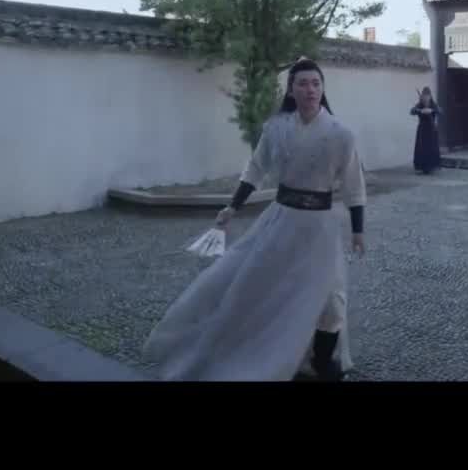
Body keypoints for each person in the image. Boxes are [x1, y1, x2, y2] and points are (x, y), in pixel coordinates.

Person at [141, 58, 367, 382]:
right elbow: (256, 169)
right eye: (303, 83)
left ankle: (321, 359)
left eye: (316, 83)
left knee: (331, 296)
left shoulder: (341, 134)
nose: (310, 90)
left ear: (323, 89)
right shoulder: (276, 129)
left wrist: (358, 230)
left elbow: (354, 184)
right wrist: (232, 207)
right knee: (268, 288)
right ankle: (258, 348)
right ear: (291, 90)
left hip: (321, 225)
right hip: (282, 219)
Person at [410, 86, 441, 174]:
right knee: (422, 148)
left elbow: (440, 111)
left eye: (427, 96)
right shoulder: (420, 104)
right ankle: (421, 167)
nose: (426, 98)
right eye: (424, 96)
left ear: (430, 96)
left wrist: (431, 110)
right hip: (422, 129)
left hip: (431, 129)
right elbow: (412, 111)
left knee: (431, 148)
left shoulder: (433, 104)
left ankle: (431, 167)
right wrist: (420, 111)